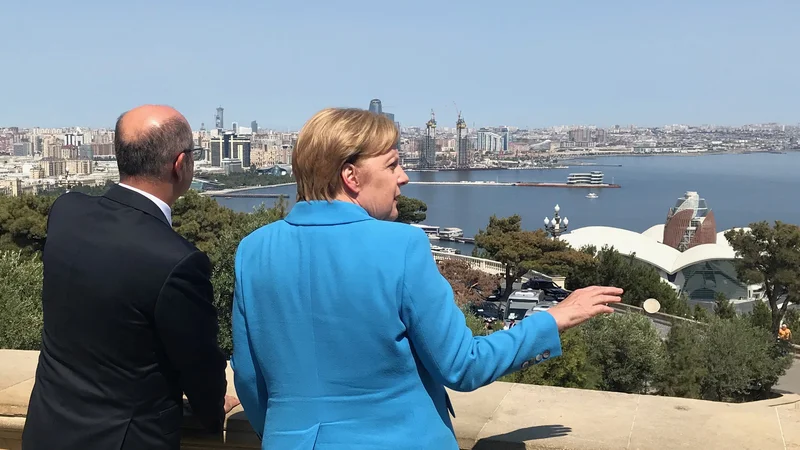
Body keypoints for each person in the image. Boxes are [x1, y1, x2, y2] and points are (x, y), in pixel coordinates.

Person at [231, 108, 622, 449]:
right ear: (351, 175)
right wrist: (551, 320)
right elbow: (462, 366)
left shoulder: (253, 250)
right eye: (392, 164)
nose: (403, 177)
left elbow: (250, 379)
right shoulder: (401, 245)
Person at [23, 105, 238, 450]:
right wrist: (212, 411)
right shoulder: (178, 260)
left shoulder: (66, 213)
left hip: (47, 430)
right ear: (181, 165)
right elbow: (198, 361)